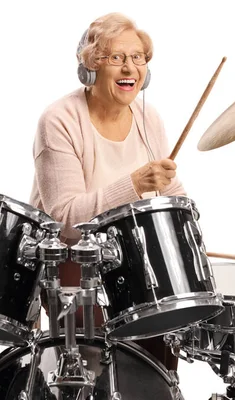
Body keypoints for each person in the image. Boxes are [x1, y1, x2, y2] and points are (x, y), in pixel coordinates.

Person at [28, 12, 186, 371]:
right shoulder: (60, 120)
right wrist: (133, 185)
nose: (129, 68)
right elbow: (64, 222)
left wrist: (187, 228)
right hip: (72, 265)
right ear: (89, 67)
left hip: (134, 262)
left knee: (160, 361)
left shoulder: (150, 118)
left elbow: (169, 188)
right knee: (99, 374)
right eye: (115, 58)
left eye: (138, 57)